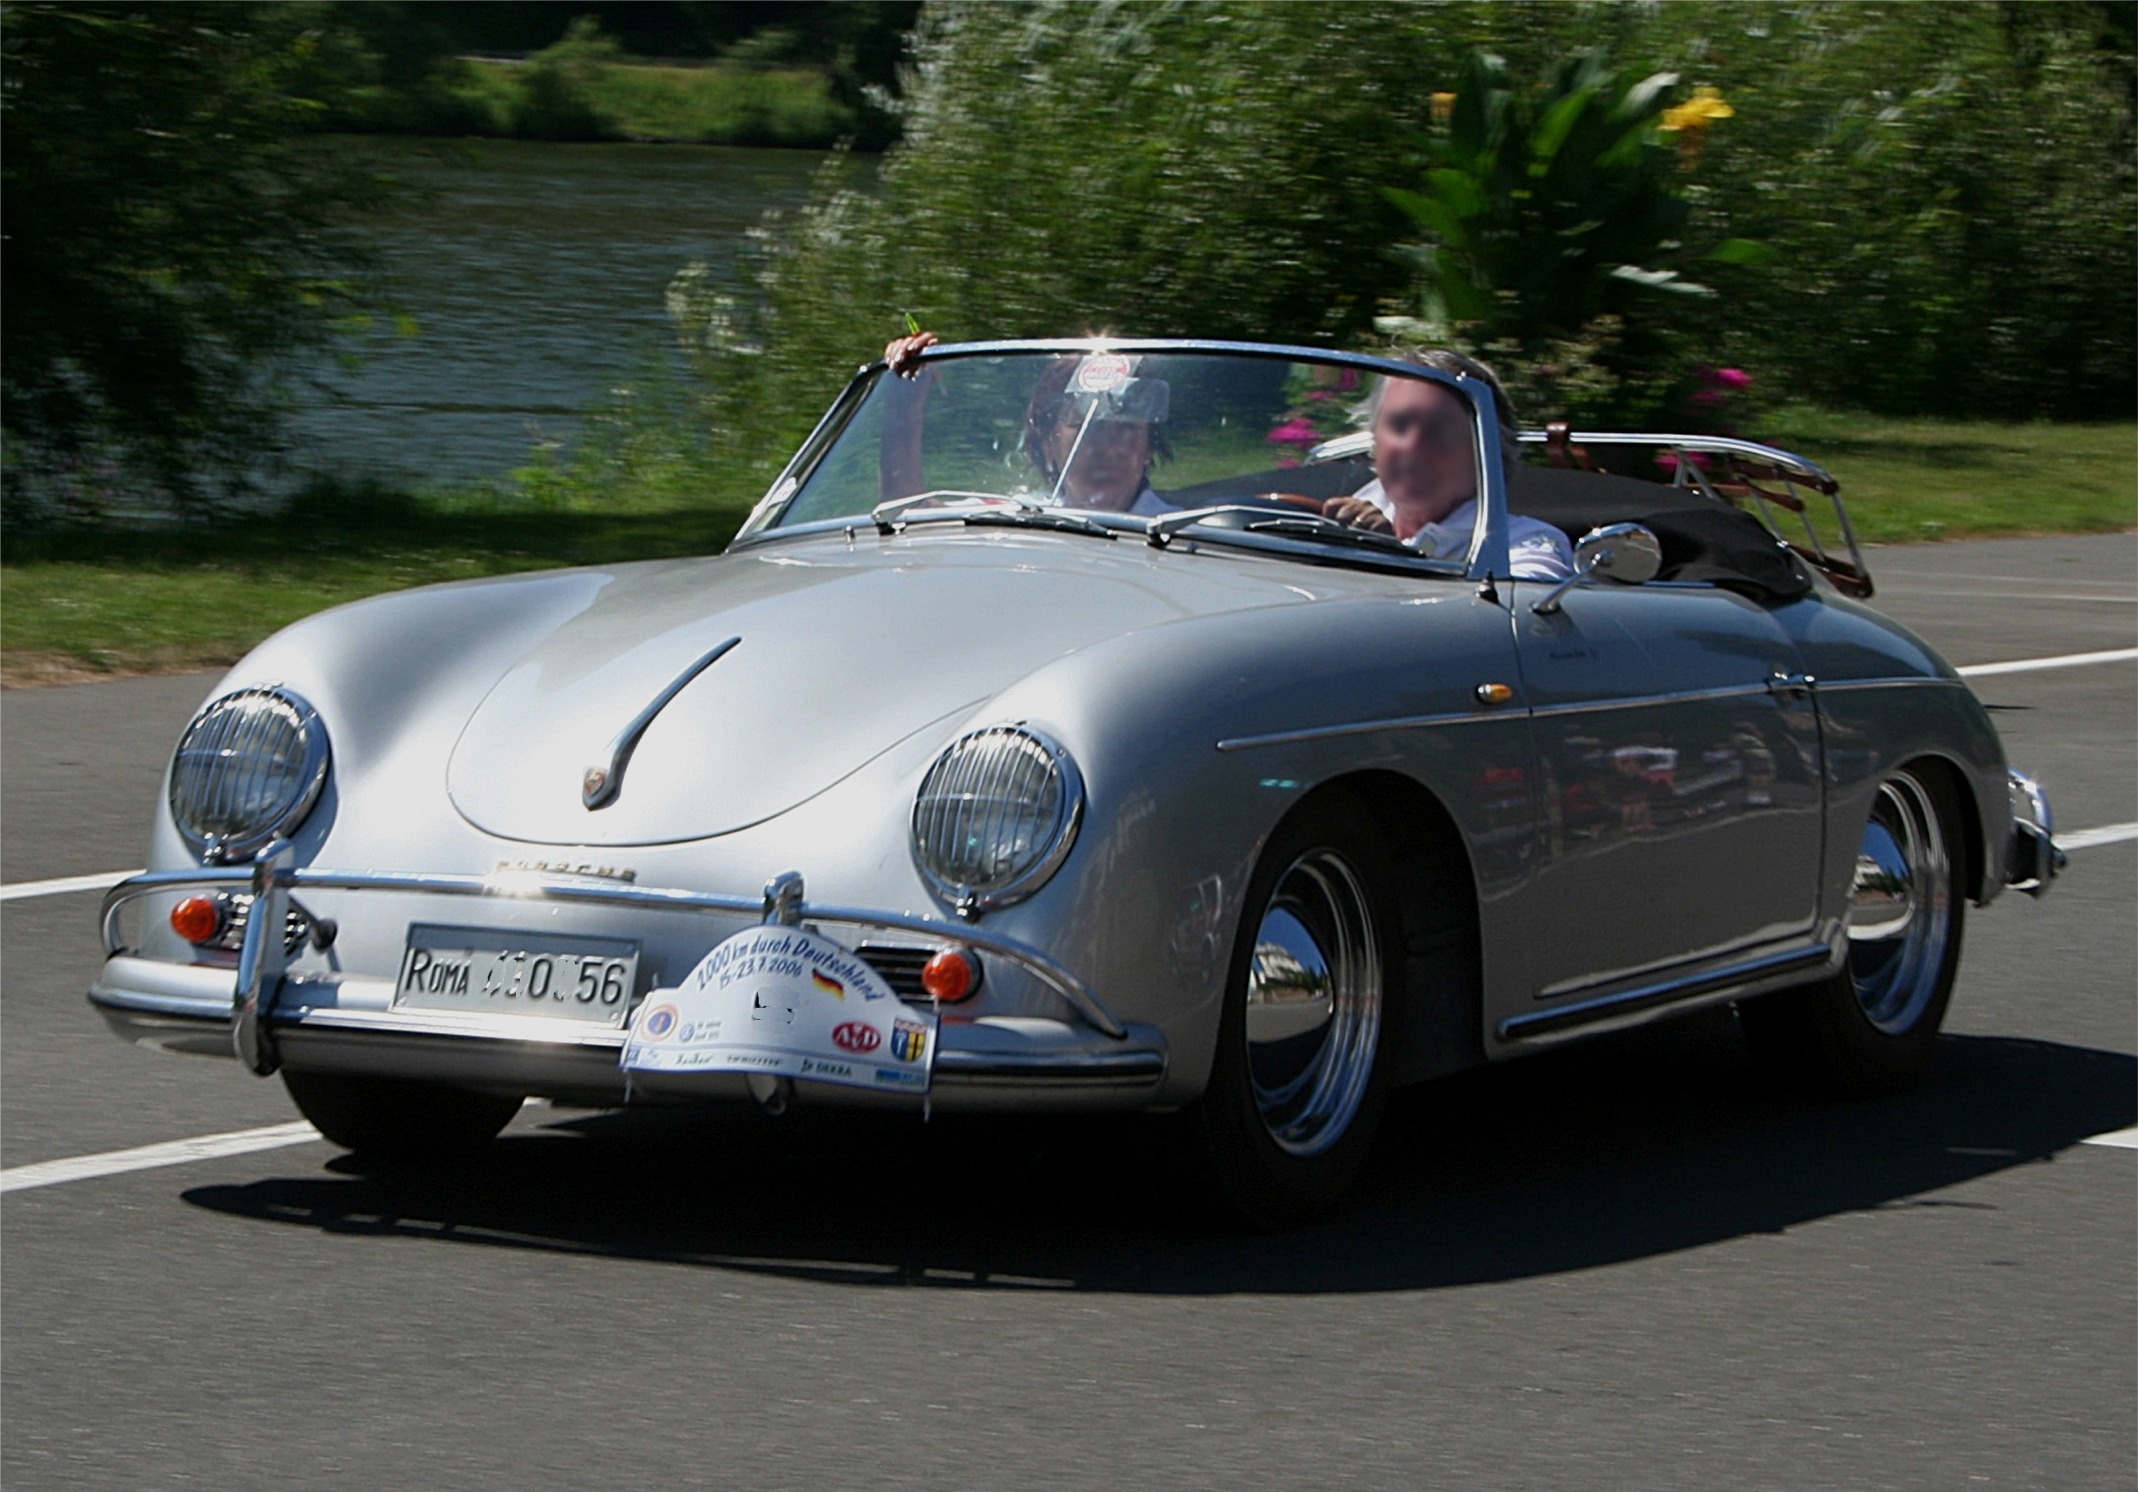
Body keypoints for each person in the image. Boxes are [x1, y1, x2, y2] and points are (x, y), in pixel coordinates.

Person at [1323, 350, 1574, 581]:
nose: (1412, 446)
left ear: (1485, 451)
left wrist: (1393, 556)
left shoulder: (1524, 542)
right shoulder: (1327, 523)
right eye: (1398, 425)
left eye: (1438, 430)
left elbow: (1518, 609)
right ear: (1375, 441)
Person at [883, 331, 1175, 515]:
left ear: (1148, 446)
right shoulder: (1021, 518)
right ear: (1048, 443)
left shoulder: (1189, 535)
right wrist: (907, 397)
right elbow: (909, 512)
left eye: (1126, 429)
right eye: (1085, 426)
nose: (1108, 447)